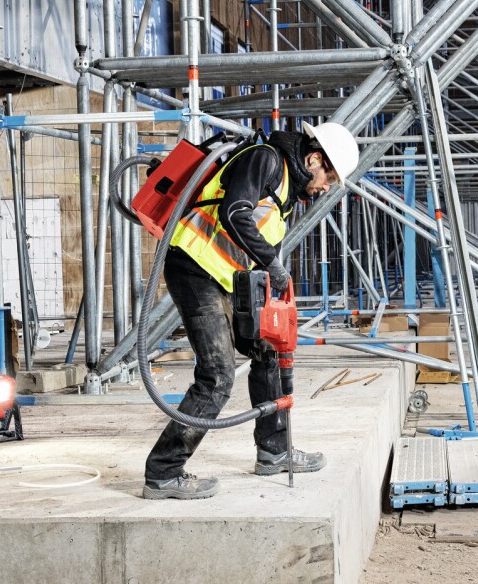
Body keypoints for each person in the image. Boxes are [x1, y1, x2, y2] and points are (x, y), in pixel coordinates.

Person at [142, 122, 361, 500]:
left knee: (267, 349)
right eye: (329, 178)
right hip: (194, 270)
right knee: (217, 375)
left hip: (224, 280)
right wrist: (273, 264)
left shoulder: (284, 191)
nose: (326, 188)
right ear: (314, 160)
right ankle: (164, 471)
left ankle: (273, 450)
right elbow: (235, 212)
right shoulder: (266, 160)